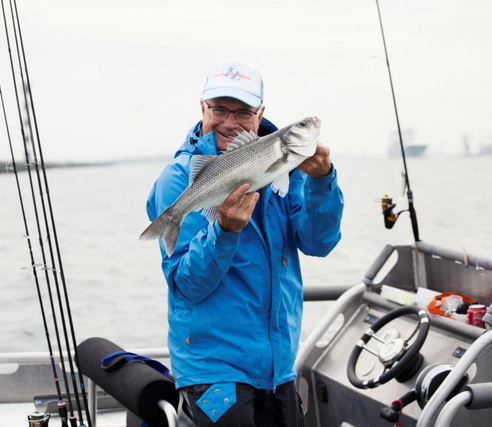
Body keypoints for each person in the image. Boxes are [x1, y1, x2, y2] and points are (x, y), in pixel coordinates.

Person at [145, 59, 344, 426]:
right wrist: (224, 231)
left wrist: (322, 182)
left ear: (261, 112)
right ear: (202, 108)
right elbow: (188, 285)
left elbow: (318, 243)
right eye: (219, 109)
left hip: (277, 368)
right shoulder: (177, 181)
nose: (229, 122)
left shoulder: (287, 165)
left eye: (243, 111)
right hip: (214, 369)